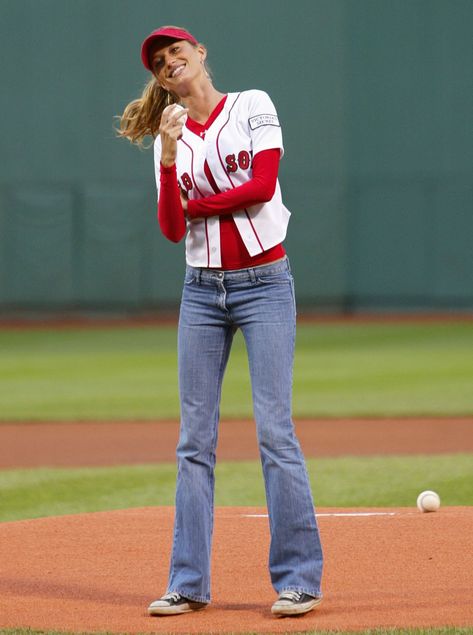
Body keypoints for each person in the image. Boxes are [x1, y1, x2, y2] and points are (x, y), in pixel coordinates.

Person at [117, 25, 324, 618]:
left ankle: (299, 580)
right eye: (159, 61)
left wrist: (196, 202)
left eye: (176, 51)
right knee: (193, 443)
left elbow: (261, 187)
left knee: (274, 432)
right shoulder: (173, 134)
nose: (168, 62)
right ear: (159, 78)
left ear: (200, 53)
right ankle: (188, 583)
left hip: (265, 285)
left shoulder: (252, 105)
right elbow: (170, 229)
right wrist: (165, 158)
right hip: (201, 293)